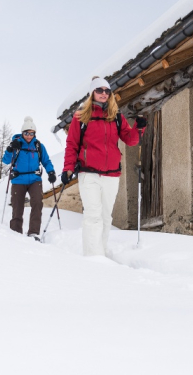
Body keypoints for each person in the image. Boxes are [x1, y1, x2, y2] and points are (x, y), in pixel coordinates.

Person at [61, 77, 145, 257]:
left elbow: (130, 140)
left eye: (107, 91)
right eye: (99, 90)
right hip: (89, 174)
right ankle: (93, 258)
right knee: (93, 216)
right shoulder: (81, 116)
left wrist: (139, 127)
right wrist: (67, 169)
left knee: (106, 218)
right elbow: (72, 145)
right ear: (92, 93)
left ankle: (101, 253)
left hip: (111, 175)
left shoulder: (116, 117)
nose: (104, 94)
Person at [2, 116, 56, 241]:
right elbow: (5, 161)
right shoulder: (16, 144)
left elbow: (46, 161)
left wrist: (51, 172)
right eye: (26, 133)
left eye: (32, 133)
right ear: (22, 133)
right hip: (18, 180)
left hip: (34, 179)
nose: (29, 136)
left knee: (37, 204)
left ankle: (33, 232)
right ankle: (15, 232)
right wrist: (10, 149)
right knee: (17, 207)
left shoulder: (38, 146)